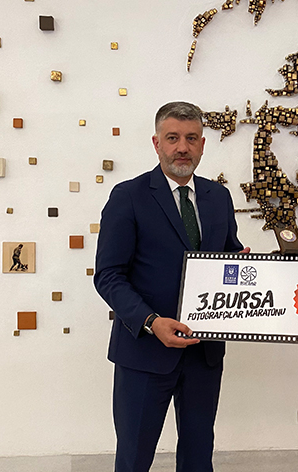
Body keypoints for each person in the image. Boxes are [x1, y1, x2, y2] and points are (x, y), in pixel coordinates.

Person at [94, 101, 248, 472]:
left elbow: (228, 255)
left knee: (198, 456)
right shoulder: (128, 196)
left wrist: (246, 267)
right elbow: (109, 275)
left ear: (202, 145)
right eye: (173, 138)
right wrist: (151, 322)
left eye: (191, 138)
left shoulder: (218, 197)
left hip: (203, 353)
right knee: (134, 458)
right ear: (157, 143)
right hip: (145, 352)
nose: (182, 147)